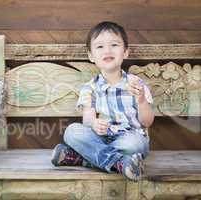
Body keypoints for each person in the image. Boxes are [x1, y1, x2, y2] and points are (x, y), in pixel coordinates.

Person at [51, 21, 154, 181]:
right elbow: (87, 118)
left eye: (114, 45)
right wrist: (93, 123)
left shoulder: (136, 84)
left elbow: (147, 122)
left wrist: (141, 101)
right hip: (99, 137)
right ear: (91, 56)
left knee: (136, 144)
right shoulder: (89, 88)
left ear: (125, 52)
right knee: (72, 131)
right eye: (100, 47)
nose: (107, 50)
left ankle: (83, 159)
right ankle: (120, 163)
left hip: (128, 137)